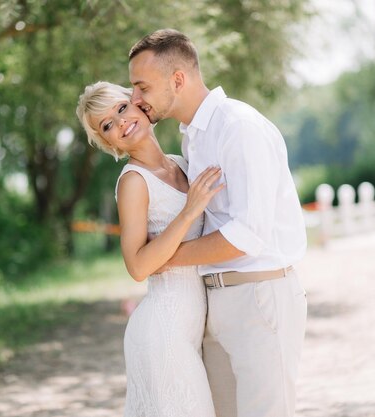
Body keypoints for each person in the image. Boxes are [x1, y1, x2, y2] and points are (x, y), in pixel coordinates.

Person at [128, 29, 308, 417]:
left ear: (178, 79)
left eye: (142, 86)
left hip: (260, 295)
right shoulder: (193, 139)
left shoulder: (238, 127)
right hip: (214, 301)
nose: (135, 100)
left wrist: (164, 259)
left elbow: (247, 235)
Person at [76, 81, 223, 417]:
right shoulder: (133, 182)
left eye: (121, 108)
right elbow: (138, 266)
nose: (121, 122)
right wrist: (188, 212)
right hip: (163, 332)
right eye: (107, 125)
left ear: (137, 104)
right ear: (106, 142)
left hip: (194, 328)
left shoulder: (181, 163)